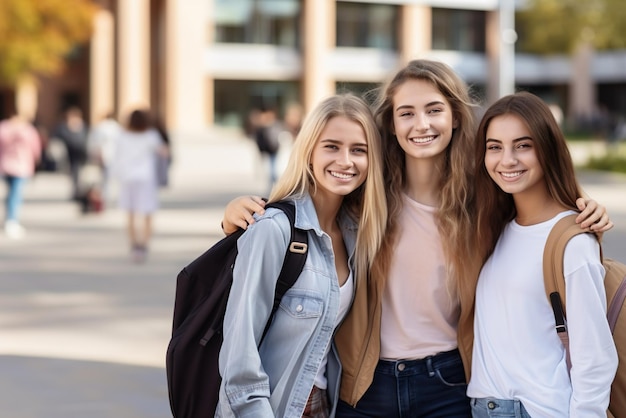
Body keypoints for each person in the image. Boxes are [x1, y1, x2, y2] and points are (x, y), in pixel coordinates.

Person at [220, 60, 612, 417]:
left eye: (434, 110)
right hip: (365, 385)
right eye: (406, 113)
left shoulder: (484, 201)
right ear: (391, 124)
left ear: (457, 116)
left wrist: (584, 211)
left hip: (449, 384)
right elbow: (310, 205)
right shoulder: (364, 199)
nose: (421, 124)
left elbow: (536, 209)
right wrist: (239, 212)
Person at [215, 94, 387, 418]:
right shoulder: (274, 229)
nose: (346, 160)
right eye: (332, 146)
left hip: (322, 405)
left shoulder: (356, 234)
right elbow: (240, 357)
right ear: (309, 152)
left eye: (359, 150)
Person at [467, 91, 618, 417]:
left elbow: (595, 358)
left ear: (547, 149)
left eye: (523, 145)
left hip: (540, 410)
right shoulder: (497, 228)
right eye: (495, 147)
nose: (507, 160)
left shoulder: (573, 242)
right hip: (486, 407)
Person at [110, 109, 168, 263]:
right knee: (147, 212)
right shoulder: (151, 135)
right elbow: (163, 151)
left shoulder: (122, 136)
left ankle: (134, 244)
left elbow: (116, 157)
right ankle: (144, 244)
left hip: (127, 177)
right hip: (146, 178)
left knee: (130, 212)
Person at [0, 112, 41, 239]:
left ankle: (10, 218)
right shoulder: (27, 130)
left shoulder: (3, 129)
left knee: (10, 193)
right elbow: (36, 148)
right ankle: (12, 220)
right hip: (21, 166)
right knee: (15, 194)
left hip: (5, 165)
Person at [52, 106, 89, 200]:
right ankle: (76, 190)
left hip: (81, 153)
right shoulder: (64, 127)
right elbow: (58, 138)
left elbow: (85, 137)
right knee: (74, 172)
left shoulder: (82, 126)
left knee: (78, 172)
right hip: (70, 153)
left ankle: (78, 190)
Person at [87, 112, 122, 206]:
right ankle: (108, 197)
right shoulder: (116, 128)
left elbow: (94, 142)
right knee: (110, 178)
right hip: (112, 156)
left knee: (105, 178)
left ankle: (106, 197)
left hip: (104, 155)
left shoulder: (101, 127)